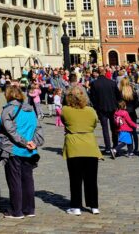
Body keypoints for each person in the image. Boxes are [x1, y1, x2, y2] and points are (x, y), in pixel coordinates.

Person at [0, 84, 44, 219]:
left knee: (14, 180)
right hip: (29, 150)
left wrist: (24, 142)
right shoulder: (30, 110)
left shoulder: (9, 110)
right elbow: (38, 128)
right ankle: (29, 209)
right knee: (28, 180)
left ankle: (16, 210)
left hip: (14, 149)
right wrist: (34, 142)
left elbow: (10, 130)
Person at [61, 85, 101, 216]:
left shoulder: (65, 110)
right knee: (91, 178)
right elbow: (95, 123)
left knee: (75, 178)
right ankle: (94, 206)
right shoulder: (90, 110)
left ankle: (76, 206)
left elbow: (64, 122)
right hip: (89, 145)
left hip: (74, 146)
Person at [88, 66, 119, 156]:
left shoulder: (94, 83)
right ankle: (115, 146)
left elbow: (92, 97)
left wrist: (96, 106)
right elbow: (118, 95)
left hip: (101, 109)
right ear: (105, 72)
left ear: (97, 73)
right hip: (112, 108)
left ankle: (108, 148)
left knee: (105, 129)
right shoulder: (112, 83)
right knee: (114, 128)